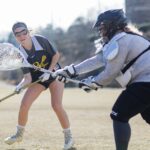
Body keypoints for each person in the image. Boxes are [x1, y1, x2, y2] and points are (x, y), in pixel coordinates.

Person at [54, 9, 150, 150]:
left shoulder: (120, 40)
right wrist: (71, 71)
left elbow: (111, 71)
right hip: (145, 83)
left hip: (145, 84)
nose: (100, 30)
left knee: (119, 115)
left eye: (102, 26)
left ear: (112, 25)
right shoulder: (123, 38)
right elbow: (99, 59)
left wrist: (94, 82)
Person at [4, 22, 74, 150]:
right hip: (38, 79)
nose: (21, 35)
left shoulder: (40, 40)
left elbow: (56, 55)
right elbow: (28, 78)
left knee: (56, 105)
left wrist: (49, 71)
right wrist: (19, 86)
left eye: (23, 31)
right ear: (15, 36)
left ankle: (69, 138)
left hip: (54, 73)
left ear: (28, 32)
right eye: (17, 34)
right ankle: (19, 134)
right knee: (24, 104)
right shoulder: (20, 54)